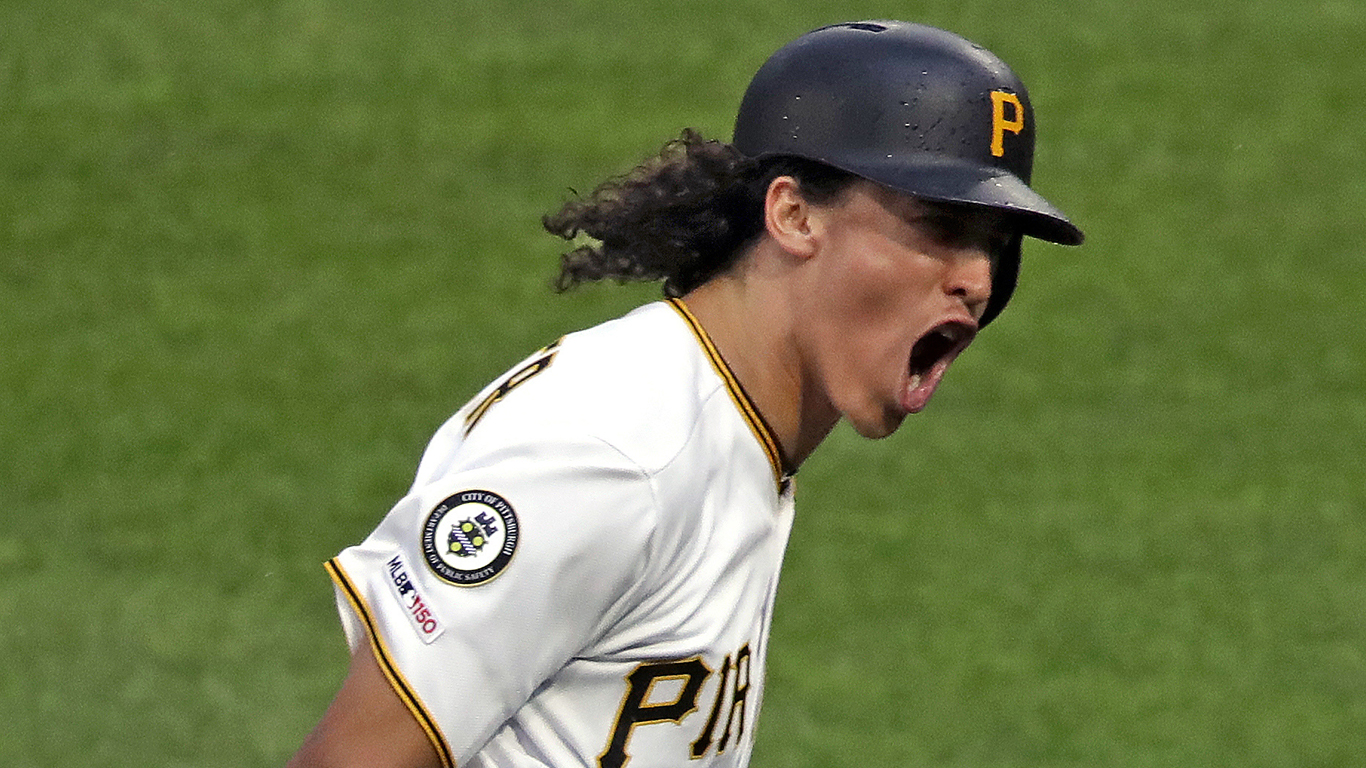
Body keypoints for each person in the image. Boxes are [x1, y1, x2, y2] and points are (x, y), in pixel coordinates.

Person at [288, 19, 1083, 768]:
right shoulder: (613, 451)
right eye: (941, 225)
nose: (977, 280)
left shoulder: (736, 436)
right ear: (794, 214)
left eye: (995, 246)